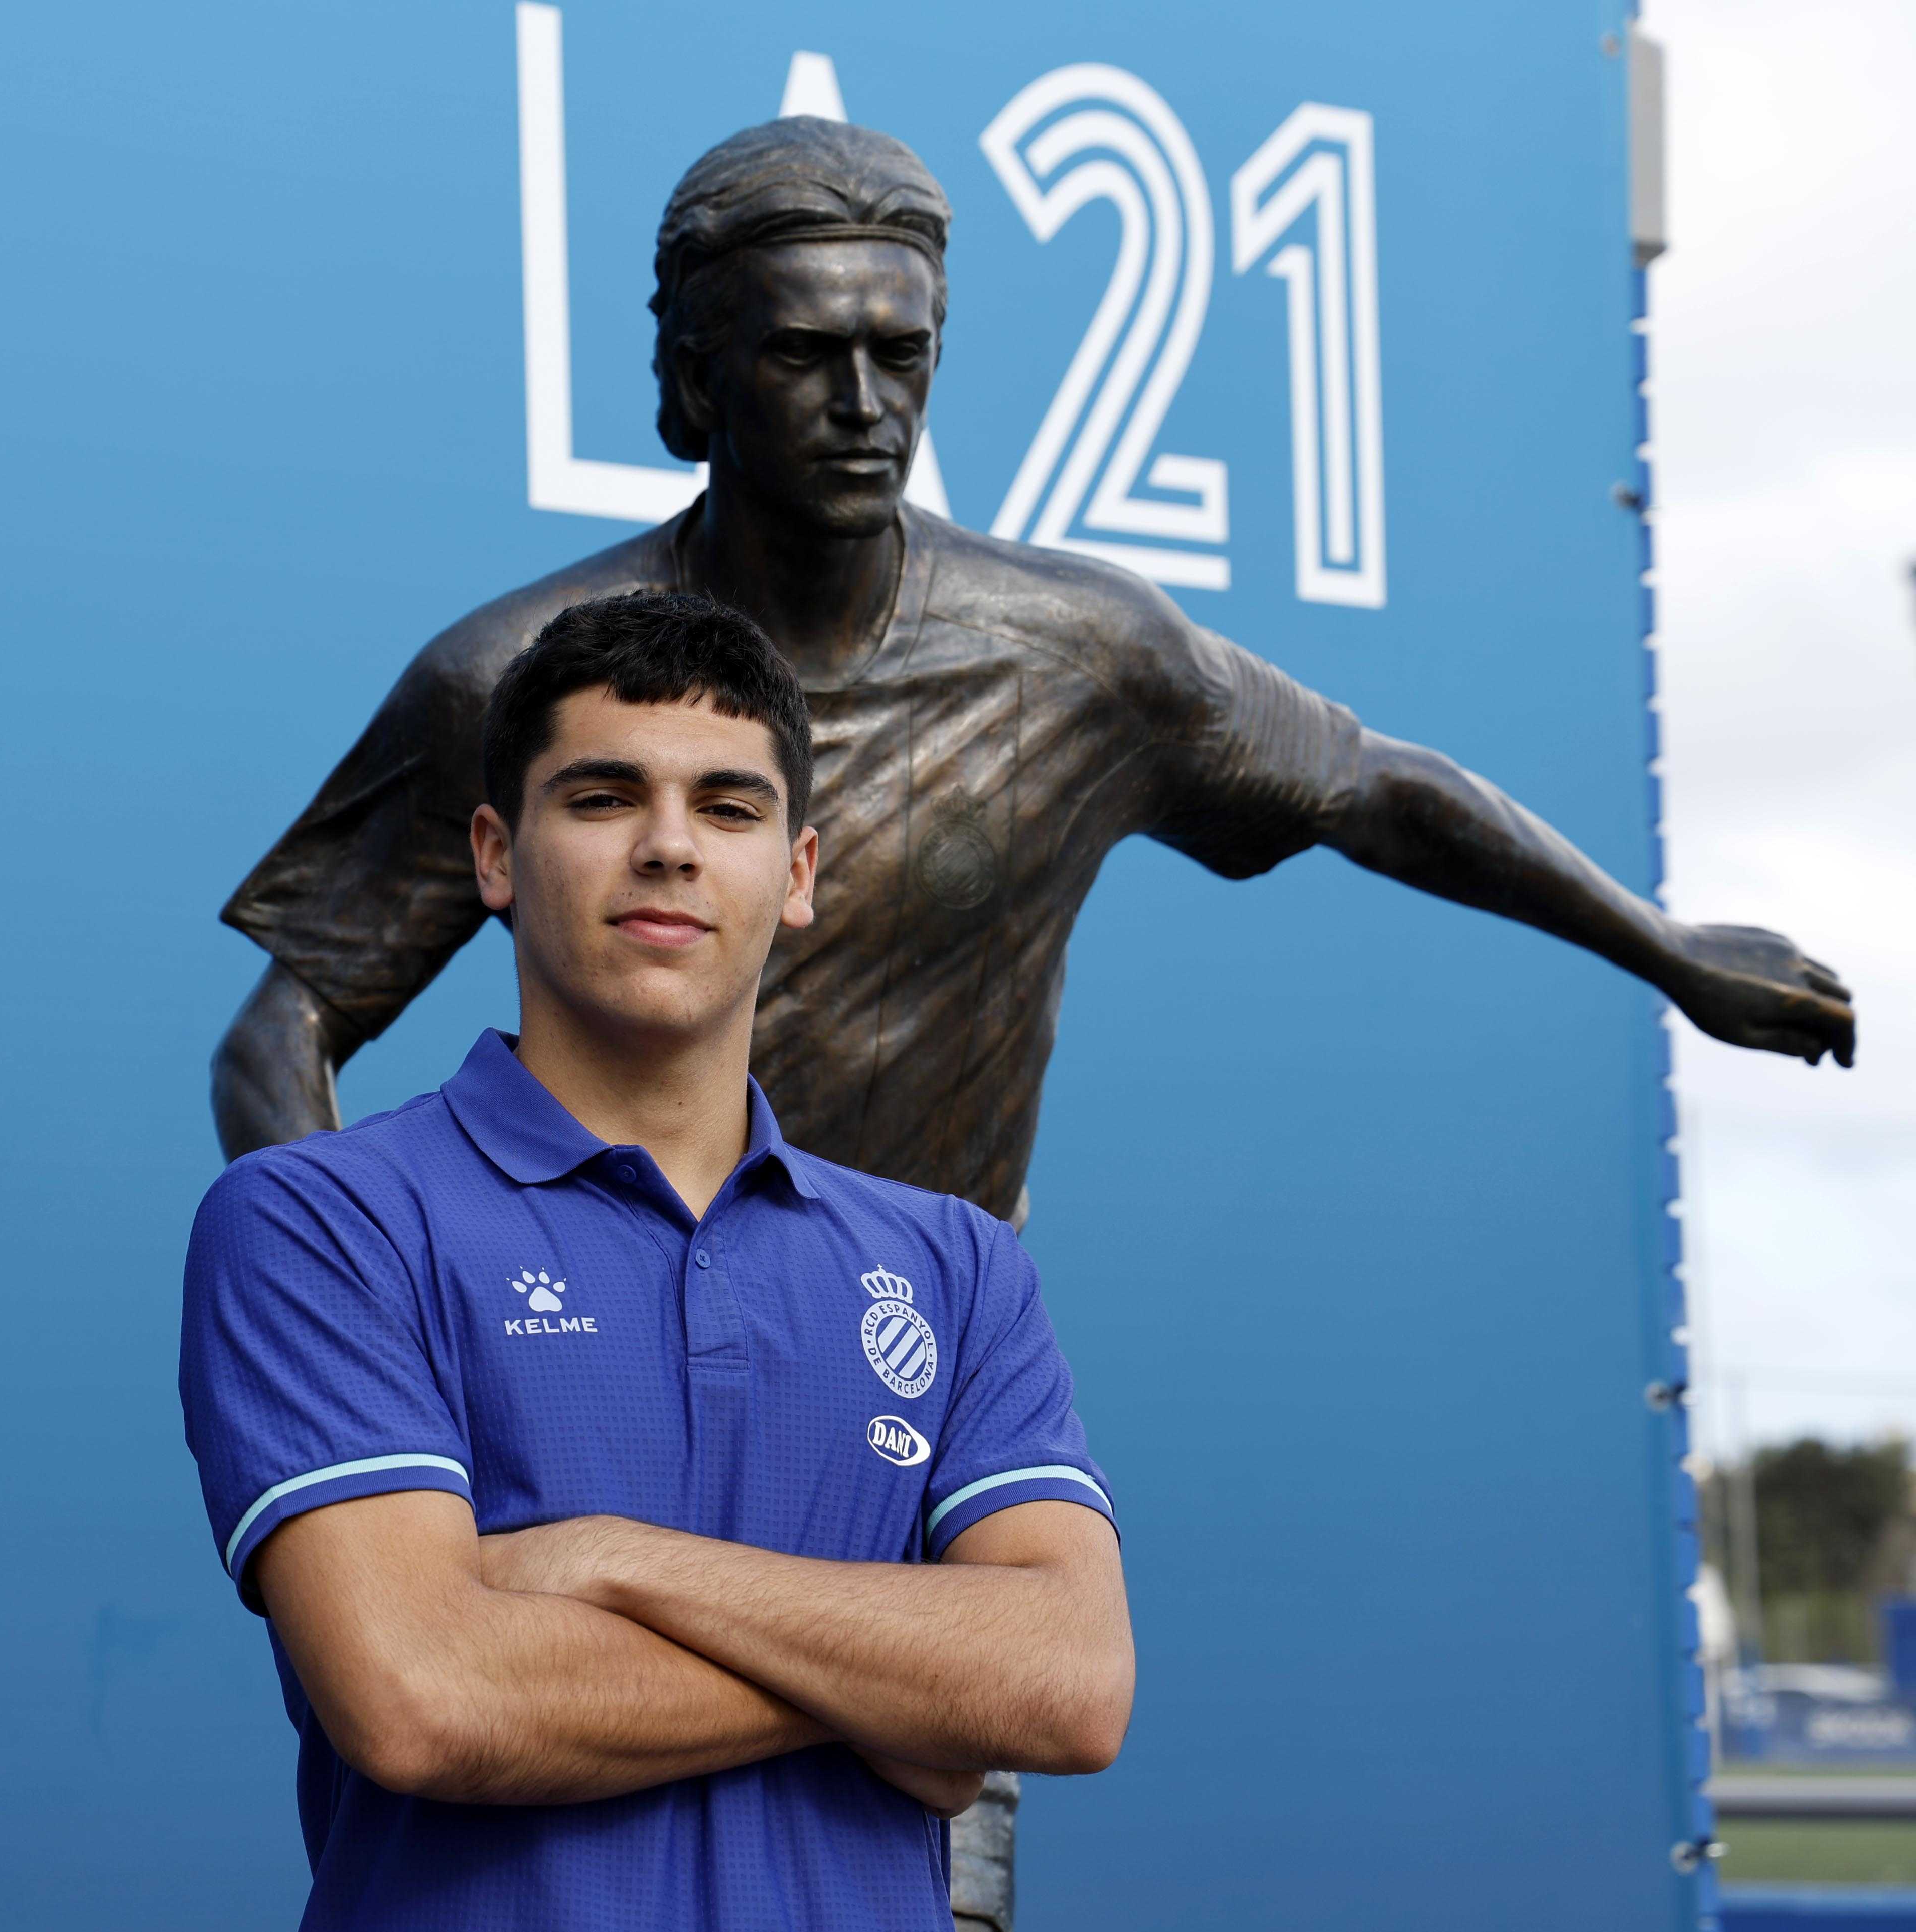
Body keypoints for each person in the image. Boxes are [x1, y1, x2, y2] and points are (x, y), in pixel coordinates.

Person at [210, 118, 1855, 1230]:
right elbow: (281, 1037)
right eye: (805, 356)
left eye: (902, 354)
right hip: (607, 1382)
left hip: (931, 1387)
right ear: (698, 382)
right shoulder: (517, 678)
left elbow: (1377, 793)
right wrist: (378, 1345)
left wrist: (1667, 950)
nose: (866, 405)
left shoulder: (1083, 655)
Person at [180, 592, 1132, 1932]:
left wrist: (611, 1562)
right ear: (496, 856)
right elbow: (424, 1698)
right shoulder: (322, 1219)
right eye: (605, 797)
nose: (671, 846)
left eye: (729, 808)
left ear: (797, 874)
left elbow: (1071, 1683)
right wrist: (908, 1695)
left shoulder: (956, 1265)